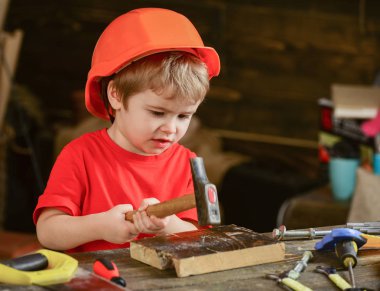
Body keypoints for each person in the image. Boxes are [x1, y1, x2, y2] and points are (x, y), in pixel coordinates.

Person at [33, 7, 220, 252]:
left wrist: (166, 224)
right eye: (157, 112)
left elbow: (201, 240)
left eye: (184, 116)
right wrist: (99, 226)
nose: (170, 128)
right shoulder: (80, 155)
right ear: (116, 95)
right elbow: (48, 232)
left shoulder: (187, 163)